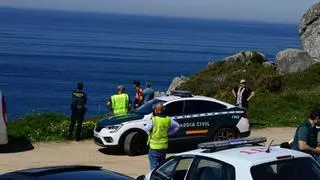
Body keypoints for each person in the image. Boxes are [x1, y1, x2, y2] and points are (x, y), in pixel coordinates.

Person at [144, 103, 180, 170]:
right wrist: (168, 133)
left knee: (154, 167)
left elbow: (146, 128)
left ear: (156, 110)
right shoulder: (168, 119)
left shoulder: (154, 120)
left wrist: (151, 118)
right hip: (163, 146)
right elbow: (177, 126)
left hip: (154, 147)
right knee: (162, 166)